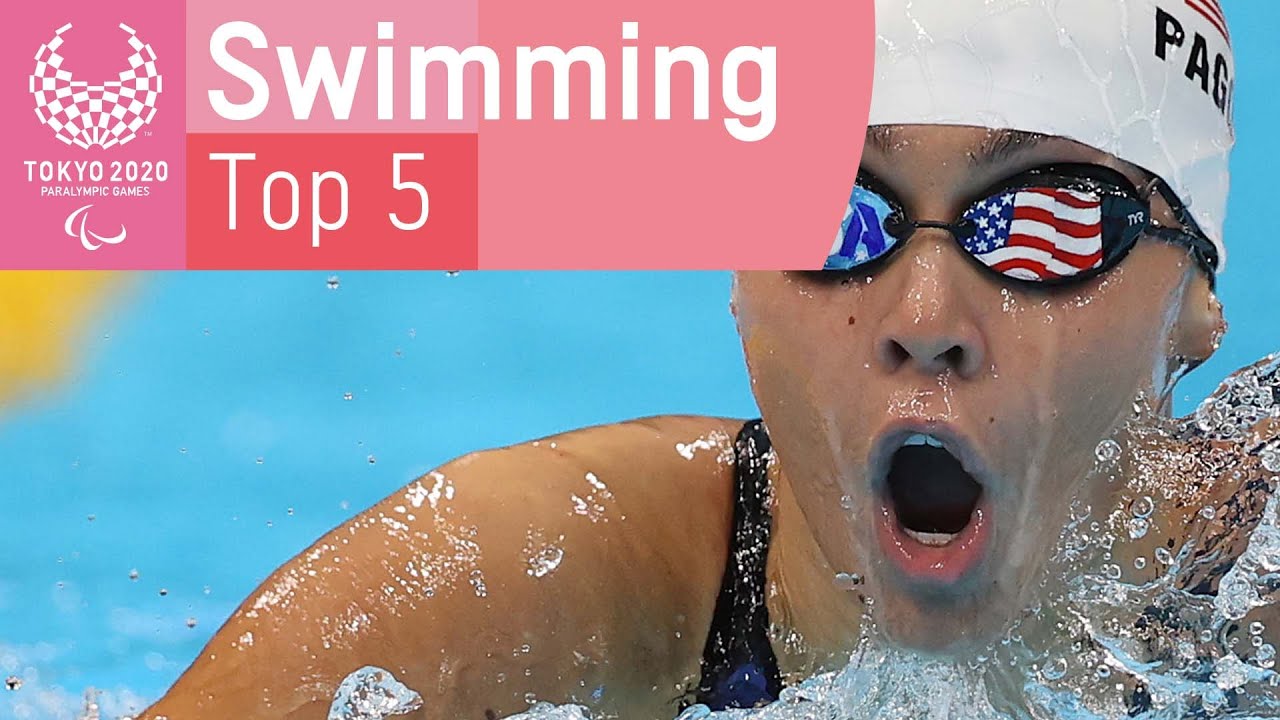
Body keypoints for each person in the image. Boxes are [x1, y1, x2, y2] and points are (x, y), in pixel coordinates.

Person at [140, 0, 1261, 718]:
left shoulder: (1254, 580)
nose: (925, 316)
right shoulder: (545, 569)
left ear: (1196, 303)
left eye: (1048, 224)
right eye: (831, 217)